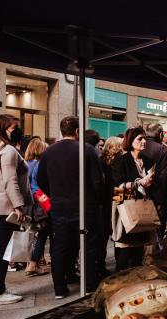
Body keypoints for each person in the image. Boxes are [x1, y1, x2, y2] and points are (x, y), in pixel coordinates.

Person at [37, 116, 103, 298]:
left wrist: (55, 194)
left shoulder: (48, 152)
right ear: (77, 131)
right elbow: (98, 181)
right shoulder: (87, 150)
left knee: (59, 247)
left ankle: (59, 288)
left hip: (59, 207)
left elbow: (41, 180)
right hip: (85, 207)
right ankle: (89, 285)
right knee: (88, 246)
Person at [0, 114, 33, 304]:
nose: (17, 131)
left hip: (1, 207)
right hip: (6, 209)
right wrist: (19, 206)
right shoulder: (9, 151)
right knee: (4, 251)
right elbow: (10, 180)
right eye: (13, 127)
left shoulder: (3, 149)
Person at [112, 127, 156, 271]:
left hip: (143, 211)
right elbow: (116, 186)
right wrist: (139, 183)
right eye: (139, 139)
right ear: (130, 141)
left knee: (139, 254)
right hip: (127, 211)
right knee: (125, 254)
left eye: (144, 138)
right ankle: (120, 286)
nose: (144, 141)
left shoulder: (148, 160)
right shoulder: (121, 160)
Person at [142, 123, 167, 239]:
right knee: (157, 229)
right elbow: (164, 177)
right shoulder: (162, 149)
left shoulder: (140, 146)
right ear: (160, 134)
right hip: (158, 196)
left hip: (140, 194)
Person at [25, 138, 50, 277]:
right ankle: (33, 263)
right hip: (39, 202)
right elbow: (38, 187)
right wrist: (48, 203)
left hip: (27, 203)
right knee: (43, 232)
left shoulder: (25, 163)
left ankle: (34, 262)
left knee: (32, 234)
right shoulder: (40, 164)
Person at [99, 136, 123, 275]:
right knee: (115, 233)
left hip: (105, 203)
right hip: (113, 201)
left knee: (105, 237)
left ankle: (102, 265)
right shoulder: (117, 163)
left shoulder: (102, 162)